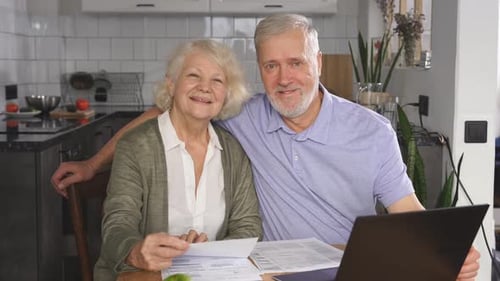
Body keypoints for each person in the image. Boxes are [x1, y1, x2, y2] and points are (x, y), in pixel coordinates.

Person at [53, 14, 480, 280]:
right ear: (260, 71)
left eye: (295, 63)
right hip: (265, 275)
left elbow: (409, 215)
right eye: (271, 66)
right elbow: (166, 114)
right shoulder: (245, 114)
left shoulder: (371, 133)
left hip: (351, 272)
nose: (284, 77)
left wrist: (448, 255)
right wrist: (93, 165)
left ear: (317, 62)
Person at [93, 39, 262, 280]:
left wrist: (210, 254)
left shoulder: (234, 151)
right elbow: (118, 224)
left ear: (226, 94)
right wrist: (136, 252)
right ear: (171, 85)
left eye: (217, 80)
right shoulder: (135, 146)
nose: (205, 88)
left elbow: (248, 226)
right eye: (194, 75)